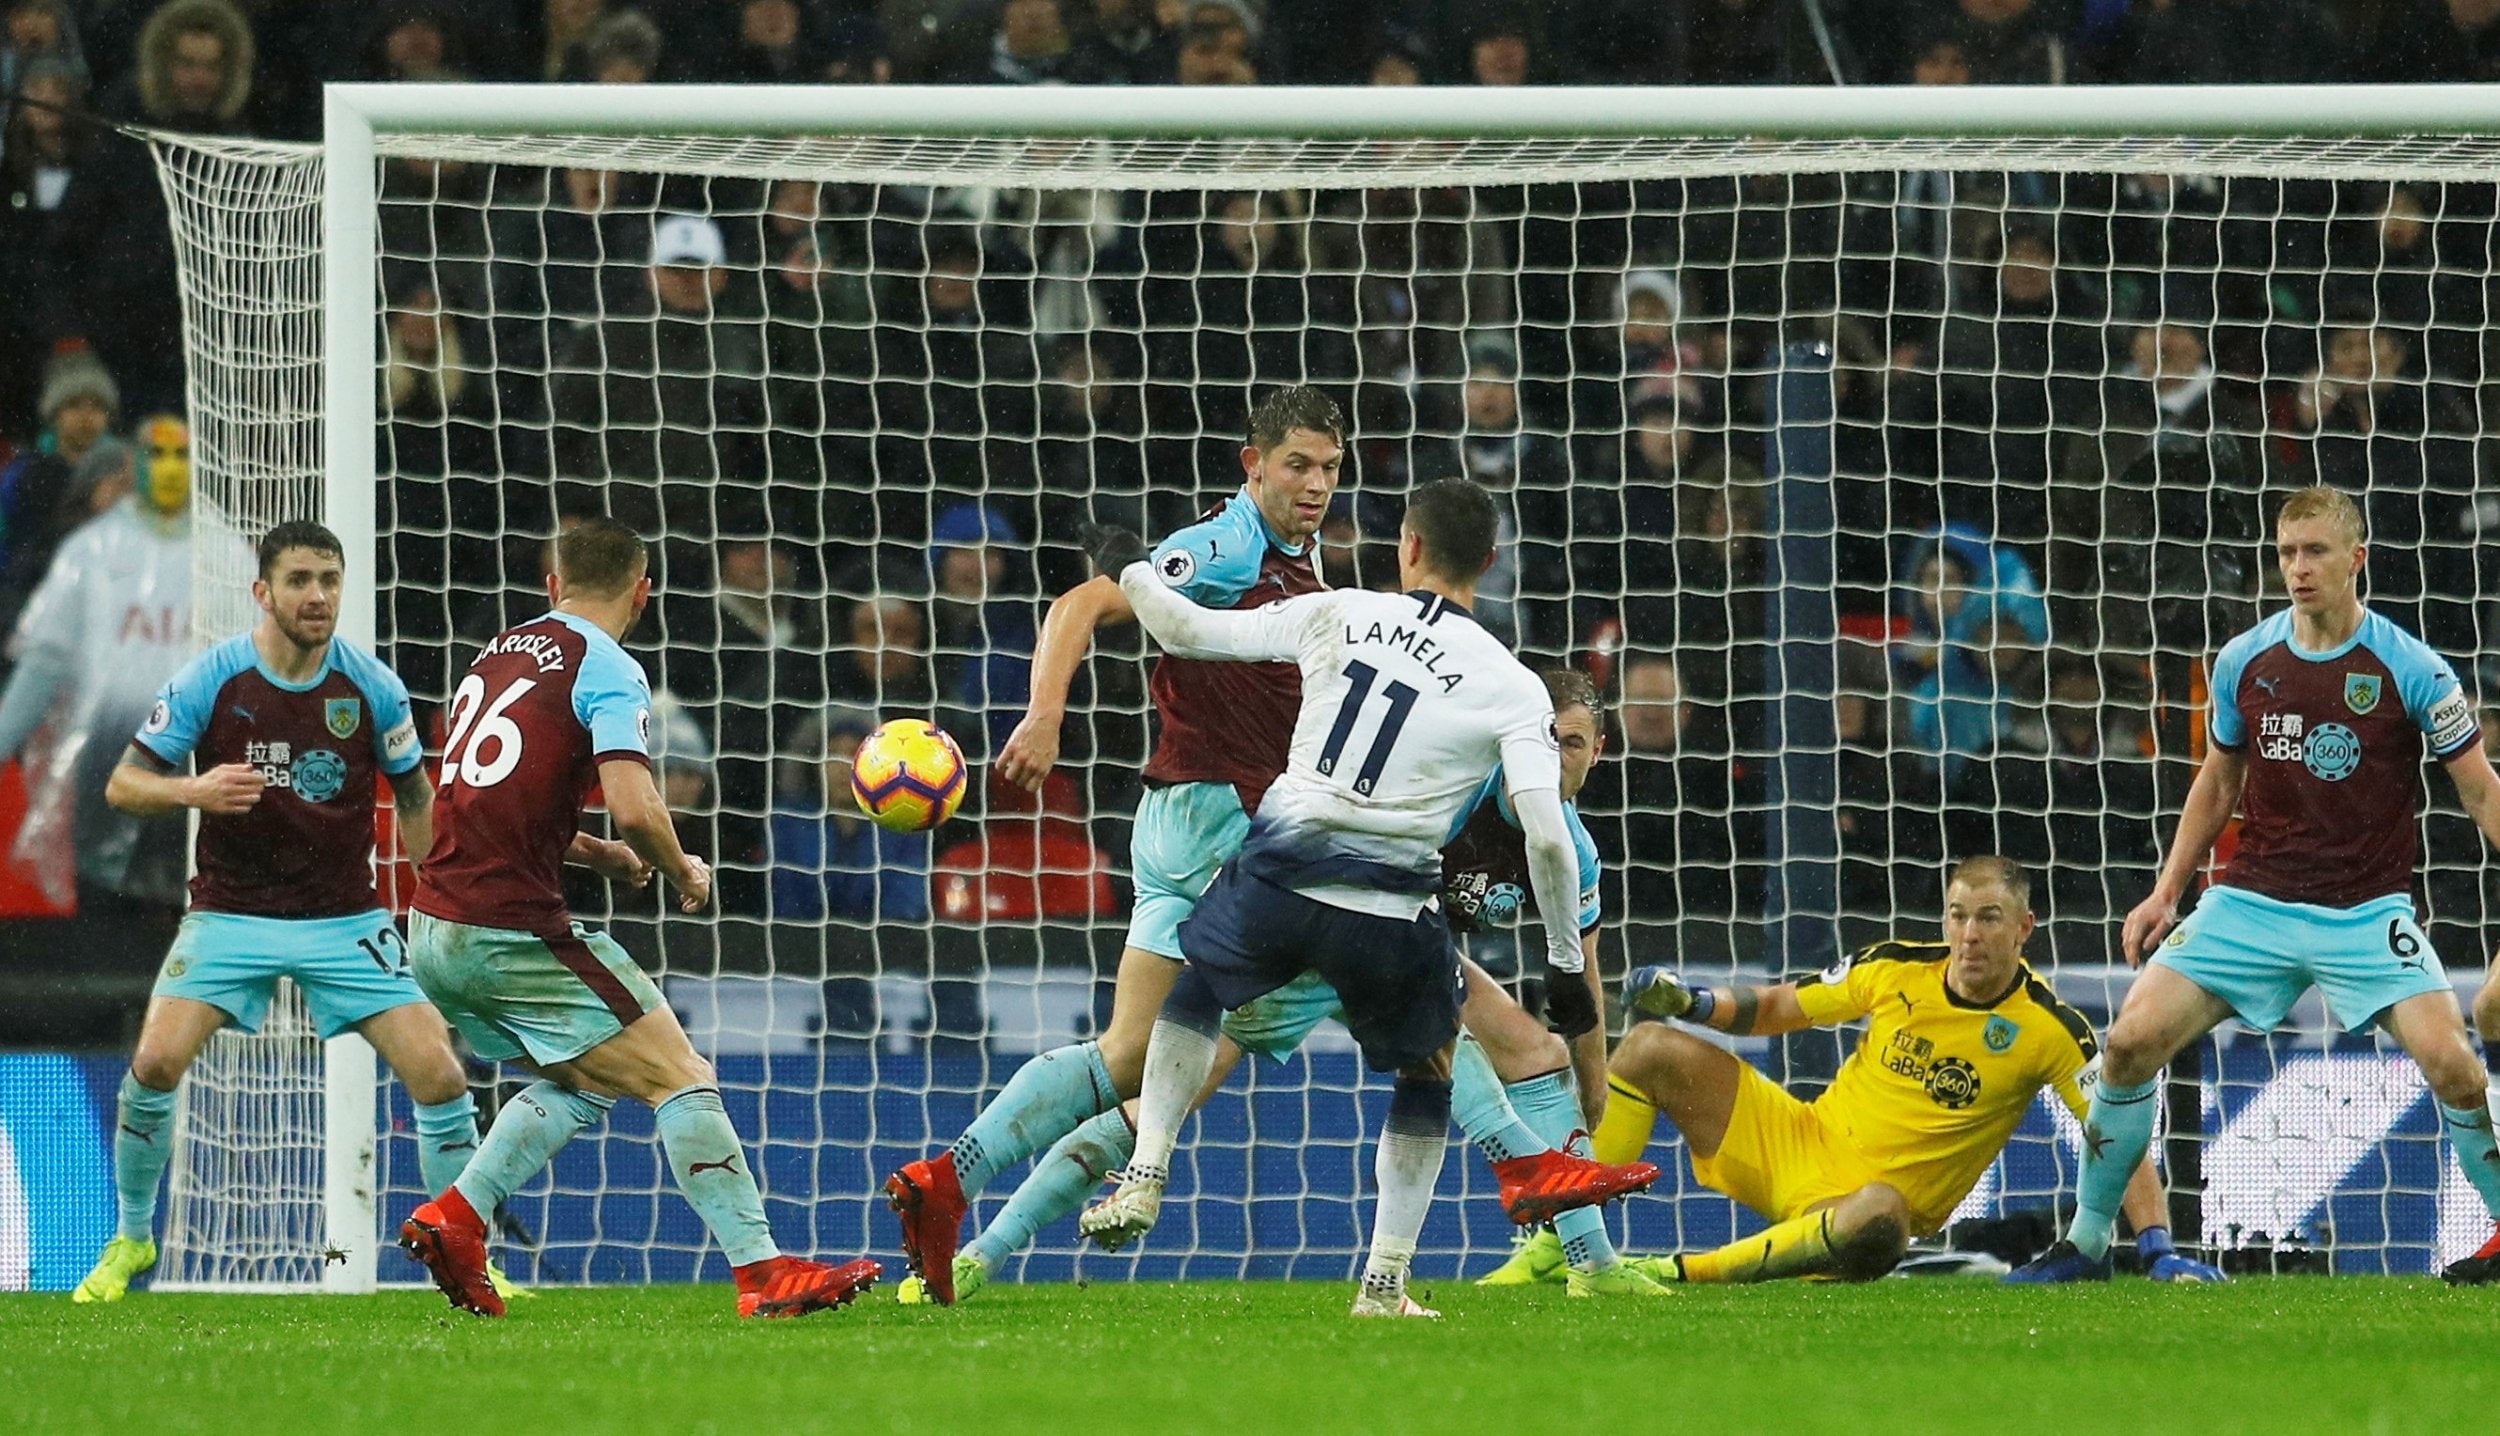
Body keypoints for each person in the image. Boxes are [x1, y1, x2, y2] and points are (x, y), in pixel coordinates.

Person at [904, 670, 1668, 1304]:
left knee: (1525, 1051)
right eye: (1543, 740)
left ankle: (1584, 1262)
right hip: (1319, 936)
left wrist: (1594, 1084)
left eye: (1570, 744)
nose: (1554, 757)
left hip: (1387, 950)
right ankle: (988, 1249)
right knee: (1141, 1089)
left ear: (1597, 752)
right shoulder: (1458, 790)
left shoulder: (1571, 850)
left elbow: (1581, 973)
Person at [1076, 478, 1649, 1318]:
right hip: (1386, 909)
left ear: (1405, 546)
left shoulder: (1337, 610)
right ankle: (1383, 1283)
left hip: (1281, 866)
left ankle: (1147, 1168)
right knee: (1429, 1070)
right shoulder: (1515, 686)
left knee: (1199, 983)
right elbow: (1550, 839)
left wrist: (1127, 566)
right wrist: (1565, 966)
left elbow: (1184, 628)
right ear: (1488, 564)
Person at [882, 384, 1344, 1306]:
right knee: (1416, 982)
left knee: (1135, 1057)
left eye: (1330, 467)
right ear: (1253, 463)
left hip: (1186, 818)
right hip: (1224, 821)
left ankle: (951, 1189)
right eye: (1297, 463)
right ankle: (1549, 1209)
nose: (1316, 483)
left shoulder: (1299, 554)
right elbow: (1082, 603)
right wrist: (1043, 716)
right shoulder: (1228, 543)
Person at [2008, 486, 2500, 1284]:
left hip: (2365, 911)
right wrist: (2167, 891)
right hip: (2253, 901)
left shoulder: (2412, 667)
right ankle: (2088, 1242)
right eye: (2287, 553)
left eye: (2315, 552)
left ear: (2356, 560)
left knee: (2456, 1067)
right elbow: (2217, 781)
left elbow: (2478, 789)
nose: (2298, 569)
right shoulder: (2246, 660)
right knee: (2130, 1042)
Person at [397, 517, 879, 1319]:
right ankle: (762, 1273)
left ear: (553, 587)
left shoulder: (497, 654)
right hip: (511, 931)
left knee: (582, 1084)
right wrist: (675, 863)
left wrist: (600, 856)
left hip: (434, 930)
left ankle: (456, 1217)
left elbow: (488, 801)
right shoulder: (610, 667)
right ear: (643, 593)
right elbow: (636, 803)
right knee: (680, 1074)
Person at [66, 521, 474, 1303]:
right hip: (230, 915)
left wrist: (442, 903)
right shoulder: (210, 681)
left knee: (440, 1074)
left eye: (329, 579)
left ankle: (468, 1258)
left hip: (345, 918)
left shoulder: (372, 687)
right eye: (298, 580)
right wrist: (196, 789)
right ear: (263, 592)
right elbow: (123, 784)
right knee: (153, 1063)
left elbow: (418, 797)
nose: (317, 595)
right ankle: (131, 1239)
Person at [1606, 856, 2220, 1284]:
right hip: (1795, 1141)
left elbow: (2119, 1140)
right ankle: (1567, 1247)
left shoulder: (2050, 1029)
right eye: (1958, 916)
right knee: (1649, 1047)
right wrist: (1693, 1003)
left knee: (1882, 1211)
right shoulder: (1896, 968)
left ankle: (1677, 1272)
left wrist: (2155, 1245)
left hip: (1867, 1213)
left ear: (2024, 928)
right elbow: (1779, 1006)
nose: (1969, 935)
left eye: (1988, 918)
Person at [0, 413, 192, 932]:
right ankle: (120, 1013)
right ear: (133, 464)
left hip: (193, 772)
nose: (171, 468)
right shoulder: (91, 552)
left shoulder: (222, 556)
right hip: (107, 763)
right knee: (109, 927)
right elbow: (46, 659)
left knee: (187, 920)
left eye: (182, 456)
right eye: (159, 455)